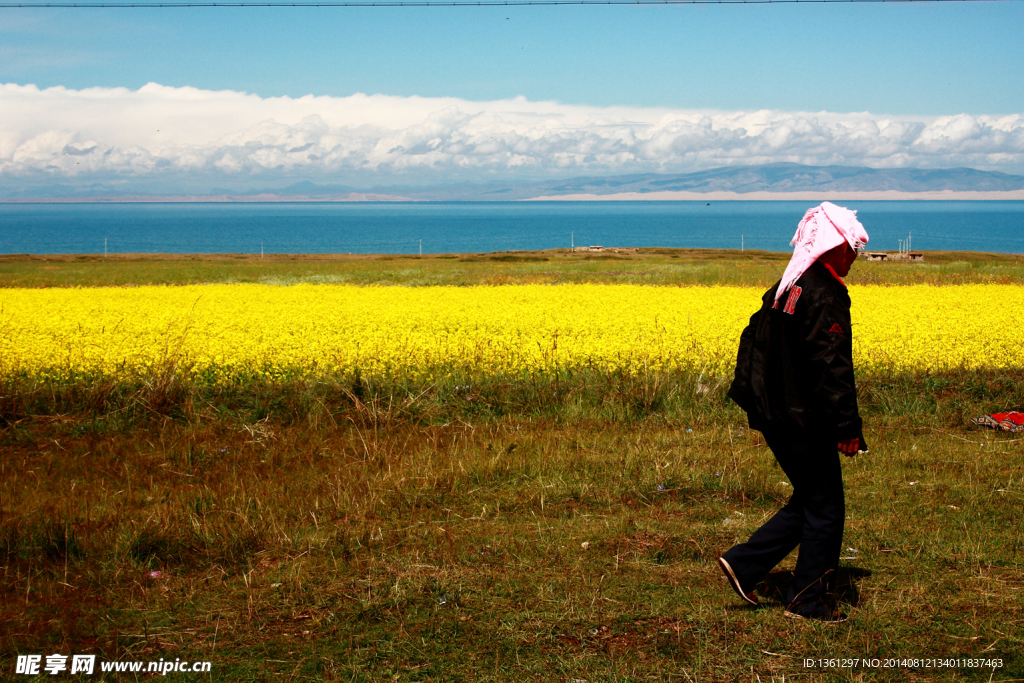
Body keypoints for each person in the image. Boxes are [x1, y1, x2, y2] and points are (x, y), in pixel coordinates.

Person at [719, 201, 869, 623]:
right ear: (831, 247)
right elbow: (832, 367)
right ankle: (806, 601)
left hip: (777, 415)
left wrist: (756, 402)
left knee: (810, 499)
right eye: (851, 247)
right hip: (805, 419)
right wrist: (847, 426)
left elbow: (754, 345)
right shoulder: (825, 294)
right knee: (826, 509)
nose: (854, 256)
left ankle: (744, 564)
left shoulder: (787, 286)